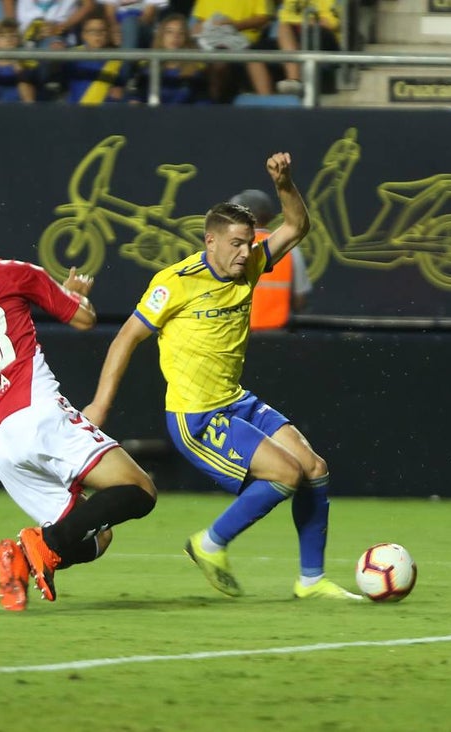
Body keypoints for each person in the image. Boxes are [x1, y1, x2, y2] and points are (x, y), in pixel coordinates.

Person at [83, 153, 361, 601]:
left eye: (249, 242)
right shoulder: (174, 282)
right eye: (235, 243)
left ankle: (311, 580)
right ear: (210, 241)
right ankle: (209, 543)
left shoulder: (251, 265)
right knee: (285, 473)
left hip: (235, 400)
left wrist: (285, 184)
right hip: (196, 416)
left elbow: (296, 226)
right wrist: (99, 406)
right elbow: (125, 339)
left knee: (314, 468)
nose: (245, 251)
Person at [0, 195, 157, 612]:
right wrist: (75, 296)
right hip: (39, 415)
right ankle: (39, 545)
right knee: (139, 489)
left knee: (98, 536)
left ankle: (18, 561)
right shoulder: (12, 273)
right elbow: (83, 320)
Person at [228, 188, 311, 330]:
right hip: (277, 335)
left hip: (236, 334)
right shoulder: (288, 248)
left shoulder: (230, 247)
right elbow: (300, 300)